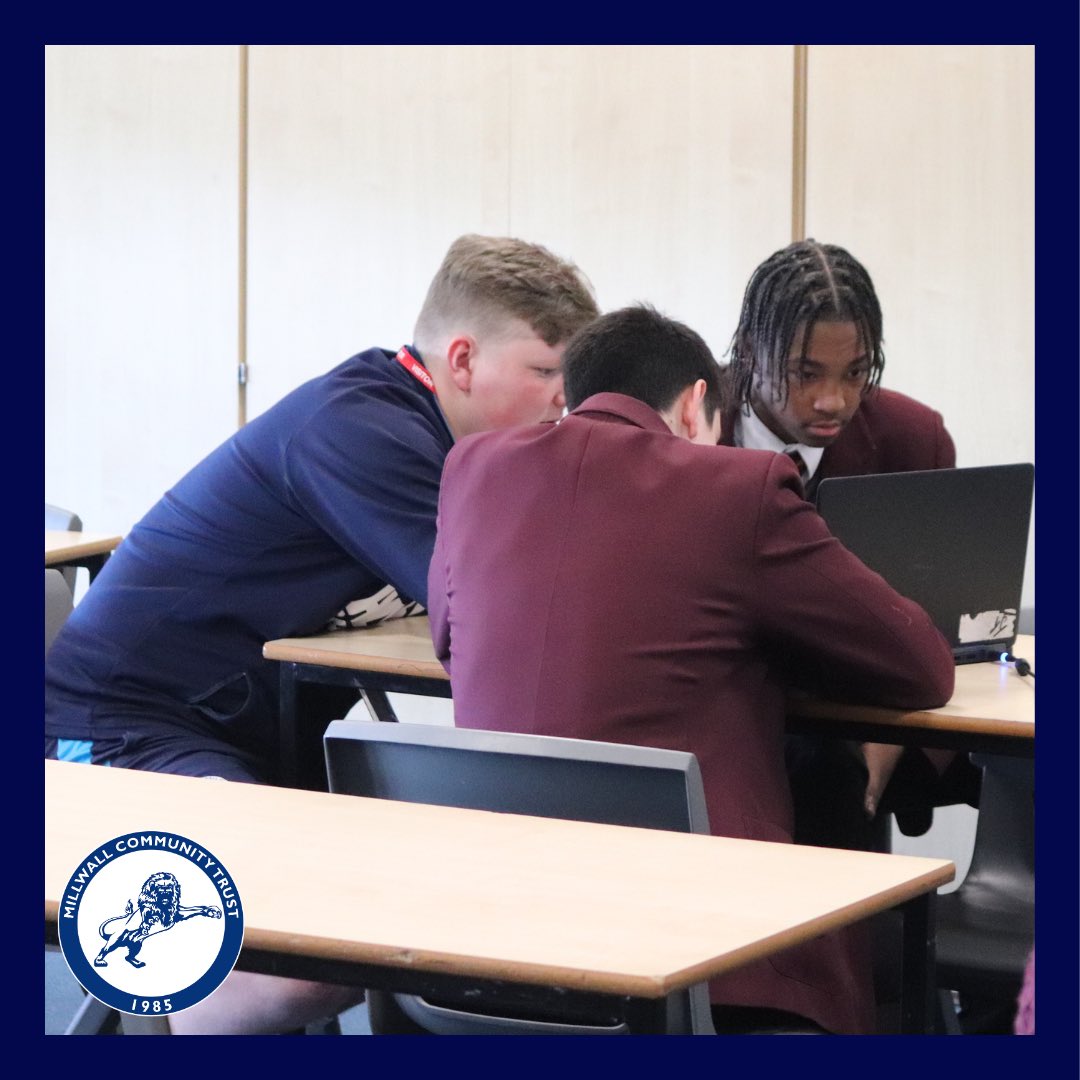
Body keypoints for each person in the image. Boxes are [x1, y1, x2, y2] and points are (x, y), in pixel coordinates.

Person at [44, 233, 599, 1034]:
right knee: (302, 972)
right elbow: (494, 601)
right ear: (465, 360)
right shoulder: (365, 432)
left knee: (398, 917)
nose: (562, 401)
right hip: (117, 726)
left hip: (232, 721)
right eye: (547, 373)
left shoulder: (433, 433)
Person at [427, 304, 955, 1034]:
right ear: (694, 405)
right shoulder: (738, 488)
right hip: (706, 949)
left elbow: (445, 636)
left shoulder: (472, 468)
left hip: (498, 939)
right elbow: (922, 667)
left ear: (572, 395)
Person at [723, 238, 977, 848]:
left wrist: (890, 737)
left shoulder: (912, 442)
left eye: (856, 373)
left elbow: (935, 615)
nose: (834, 400)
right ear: (753, 351)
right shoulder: (692, 423)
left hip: (861, 719)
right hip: (726, 708)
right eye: (806, 374)